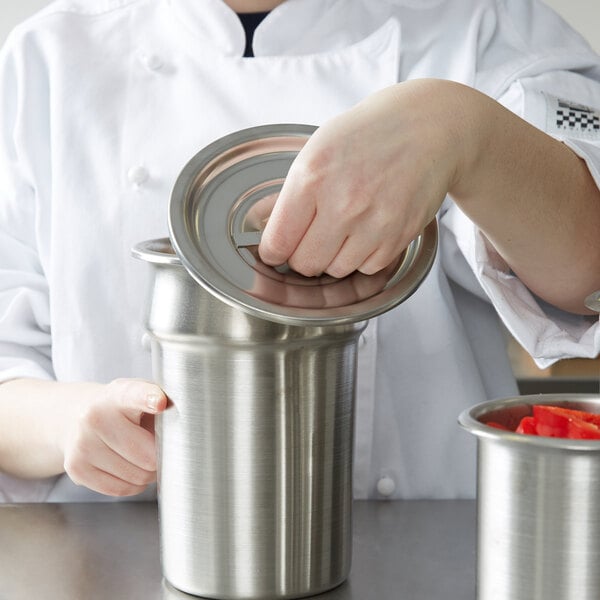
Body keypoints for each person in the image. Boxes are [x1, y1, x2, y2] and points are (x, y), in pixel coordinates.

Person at [0, 0, 599, 503]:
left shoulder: (479, 27)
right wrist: (71, 420)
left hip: (420, 556)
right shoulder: (45, 59)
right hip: (109, 560)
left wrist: (469, 132)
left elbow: (589, 270)